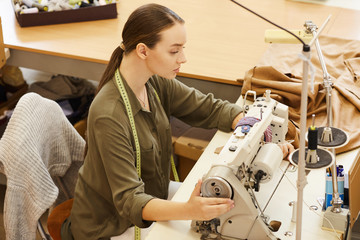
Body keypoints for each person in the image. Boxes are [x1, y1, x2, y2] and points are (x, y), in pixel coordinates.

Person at [61, 3, 293, 240]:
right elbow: (130, 200)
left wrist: (258, 135)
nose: (183, 58)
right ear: (143, 51)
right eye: (174, 51)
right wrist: (189, 210)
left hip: (155, 196)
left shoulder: (153, 81)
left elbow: (208, 108)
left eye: (182, 49)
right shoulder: (109, 114)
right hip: (111, 227)